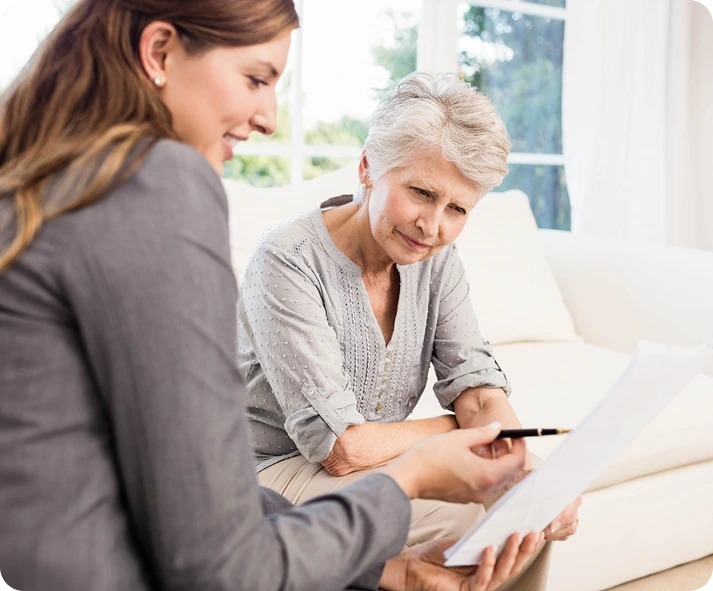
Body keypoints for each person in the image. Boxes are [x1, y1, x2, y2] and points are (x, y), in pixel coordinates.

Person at [0, 1, 544, 590]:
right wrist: (418, 470)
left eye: (457, 208)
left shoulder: (54, 182)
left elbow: (184, 490)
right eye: (256, 79)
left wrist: (395, 566)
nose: (269, 118)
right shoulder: (162, 186)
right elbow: (219, 553)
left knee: (510, 521)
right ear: (159, 52)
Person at [238, 72, 582, 588]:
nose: (433, 225)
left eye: (458, 208)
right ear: (368, 167)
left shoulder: (436, 262)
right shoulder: (287, 261)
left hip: (378, 465)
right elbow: (343, 449)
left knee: (524, 509)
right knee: (462, 518)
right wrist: (456, 431)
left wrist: (523, 465)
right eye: (422, 192)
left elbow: (477, 389)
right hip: (266, 476)